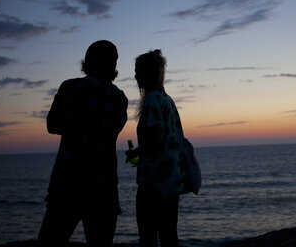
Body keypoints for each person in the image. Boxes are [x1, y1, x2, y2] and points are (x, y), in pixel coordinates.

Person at [38, 40, 128, 247]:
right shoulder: (119, 98)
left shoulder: (70, 88)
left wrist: (73, 128)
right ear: (114, 65)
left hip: (67, 185)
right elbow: (113, 131)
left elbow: (52, 125)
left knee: (49, 242)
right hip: (104, 188)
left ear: (87, 62)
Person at [125, 49, 186, 247]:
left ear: (151, 73)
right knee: (169, 236)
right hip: (171, 181)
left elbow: (156, 139)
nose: (135, 76)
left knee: (148, 236)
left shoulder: (152, 99)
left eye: (139, 71)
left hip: (153, 183)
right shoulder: (168, 100)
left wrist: (135, 152)